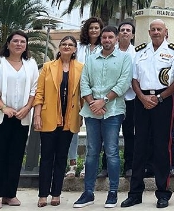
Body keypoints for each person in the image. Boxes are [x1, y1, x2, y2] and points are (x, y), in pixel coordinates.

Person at [121, 19, 174, 209]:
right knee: (139, 146)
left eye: (159, 29)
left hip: (163, 101)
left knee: (162, 146)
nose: (156, 32)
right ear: (149, 32)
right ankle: (135, 193)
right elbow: (134, 78)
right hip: (142, 101)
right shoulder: (140, 52)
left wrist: (159, 98)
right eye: (153, 29)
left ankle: (163, 193)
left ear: (166, 32)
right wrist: (141, 97)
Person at [74, 26, 132, 209]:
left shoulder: (125, 59)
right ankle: (88, 193)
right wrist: (93, 103)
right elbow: (84, 82)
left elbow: (124, 83)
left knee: (112, 151)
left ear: (116, 39)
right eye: (104, 37)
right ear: (101, 40)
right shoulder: (91, 60)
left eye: (110, 37)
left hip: (113, 111)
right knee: (91, 152)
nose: (107, 40)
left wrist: (104, 101)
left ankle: (113, 192)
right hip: (92, 111)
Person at [0, 30, 39, 210]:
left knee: (15, 156)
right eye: (15, 41)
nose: (19, 44)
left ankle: (10, 194)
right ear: (8, 44)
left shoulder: (30, 64)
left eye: (23, 41)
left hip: (21, 117)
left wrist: (27, 108)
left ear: (26, 45)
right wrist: (3, 108)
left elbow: (35, 89)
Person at [33, 36, 84, 207]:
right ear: (59, 47)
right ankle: (42, 194)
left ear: (75, 49)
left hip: (69, 119)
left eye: (71, 45)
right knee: (47, 157)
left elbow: (83, 94)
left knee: (62, 157)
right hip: (48, 118)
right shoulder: (48, 67)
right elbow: (39, 93)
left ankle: (56, 193)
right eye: (64, 44)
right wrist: (37, 115)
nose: (67, 47)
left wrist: (82, 114)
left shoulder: (81, 68)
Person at [67, 16, 103, 179]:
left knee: (92, 131)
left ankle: (88, 166)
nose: (94, 30)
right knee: (73, 128)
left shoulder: (106, 47)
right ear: (86, 30)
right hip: (76, 93)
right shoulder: (79, 47)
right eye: (91, 28)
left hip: (95, 95)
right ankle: (72, 163)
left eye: (97, 28)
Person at [117, 21, 137, 177]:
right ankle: (106, 167)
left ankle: (129, 166)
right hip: (112, 99)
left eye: (128, 30)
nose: (125, 32)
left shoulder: (137, 53)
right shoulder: (110, 51)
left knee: (129, 133)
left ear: (132, 35)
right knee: (110, 134)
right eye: (122, 30)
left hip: (130, 98)